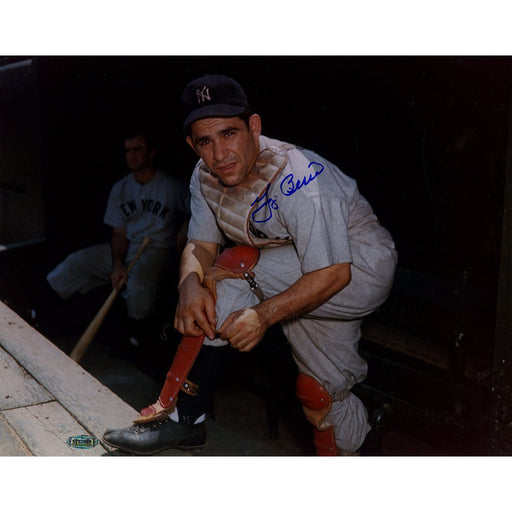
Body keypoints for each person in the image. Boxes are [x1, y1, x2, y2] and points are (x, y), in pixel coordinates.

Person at [102, 75, 397, 456]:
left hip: (358, 267)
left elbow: (334, 273)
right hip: (302, 270)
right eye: (205, 141)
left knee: (235, 267)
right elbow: (201, 244)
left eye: (229, 134)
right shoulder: (204, 175)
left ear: (254, 127)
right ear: (192, 144)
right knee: (322, 394)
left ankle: (182, 419)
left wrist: (261, 316)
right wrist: (188, 284)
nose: (219, 153)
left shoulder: (299, 178)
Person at [46, 128, 190, 347]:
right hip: (128, 245)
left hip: (159, 248)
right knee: (77, 262)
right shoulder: (121, 188)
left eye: (137, 150)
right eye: (127, 151)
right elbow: (118, 233)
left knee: (138, 285)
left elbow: (198, 210)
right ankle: (42, 314)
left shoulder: (171, 186)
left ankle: (139, 341)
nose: (131, 155)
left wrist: (185, 226)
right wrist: (117, 265)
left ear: (151, 153)